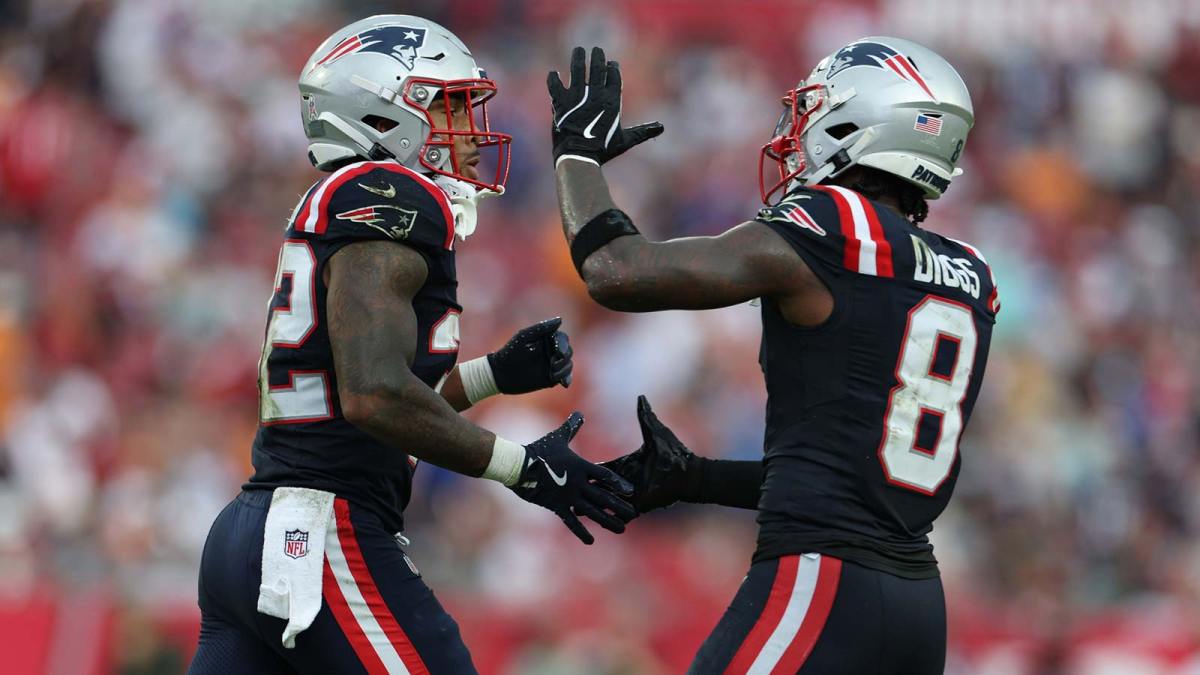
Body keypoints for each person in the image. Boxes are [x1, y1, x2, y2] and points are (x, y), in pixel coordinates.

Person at [188, 16, 635, 675]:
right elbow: (373, 395)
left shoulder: (344, 199)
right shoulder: (390, 191)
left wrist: (490, 375)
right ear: (381, 114)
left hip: (261, 527)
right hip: (320, 529)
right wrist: (524, 467)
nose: (472, 133)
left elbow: (366, 391)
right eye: (448, 107)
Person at [548, 38, 998, 675]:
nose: (795, 130)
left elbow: (616, 272)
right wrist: (698, 478)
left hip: (822, 587)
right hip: (917, 607)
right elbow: (853, 478)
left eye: (815, 110)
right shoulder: (972, 273)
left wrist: (576, 157)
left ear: (862, 120)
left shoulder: (834, 222)